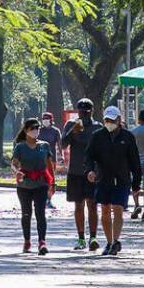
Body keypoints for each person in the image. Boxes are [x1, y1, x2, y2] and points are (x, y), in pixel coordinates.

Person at [85, 105, 141, 256]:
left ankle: (116, 240)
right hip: (103, 178)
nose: (109, 122)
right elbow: (89, 156)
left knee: (118, 208)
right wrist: (90, 170)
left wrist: (136, 183)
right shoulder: (98, 136)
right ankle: (109, 242)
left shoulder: (127, 137)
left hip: (122, 179)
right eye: (106, 120)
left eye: (112, 119)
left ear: (119, 119)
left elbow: (134, 161)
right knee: (104, 210)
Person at [61, 98, 101, 251]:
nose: (84, 113)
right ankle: (81, 238)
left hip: (91, 172)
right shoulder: (71, 125)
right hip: (75, 171)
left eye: (87, 110)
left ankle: (93, 237)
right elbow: (63, 144)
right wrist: (73, 132)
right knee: (78, 205)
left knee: (92, 205)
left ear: (92, 110)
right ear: (77, 111)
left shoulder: (97, 127)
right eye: (81, 110)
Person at [11, 117, 55, 255]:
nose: (35, 131)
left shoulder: (44, 146)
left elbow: (50, 165)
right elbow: (14, 163)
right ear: (26, 131)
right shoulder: (20, 147)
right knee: (26, 213)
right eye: (32, 129)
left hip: (41, 183)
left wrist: (52, 183)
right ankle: (27, 241)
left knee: (40, 212)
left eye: (37, 128)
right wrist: (17, 172)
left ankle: (42, 242)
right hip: (24, 184)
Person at [38, 112, 63, 208]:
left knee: (51, 180)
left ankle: (49, 199)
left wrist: (62, 155)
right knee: (40, 180)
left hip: (51, 159)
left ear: (51, 120)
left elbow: (59, 144)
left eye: (47, 118)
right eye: (43, 119)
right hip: (40, 159)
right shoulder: (39, 130)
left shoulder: (55, 131)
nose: (45, 120)